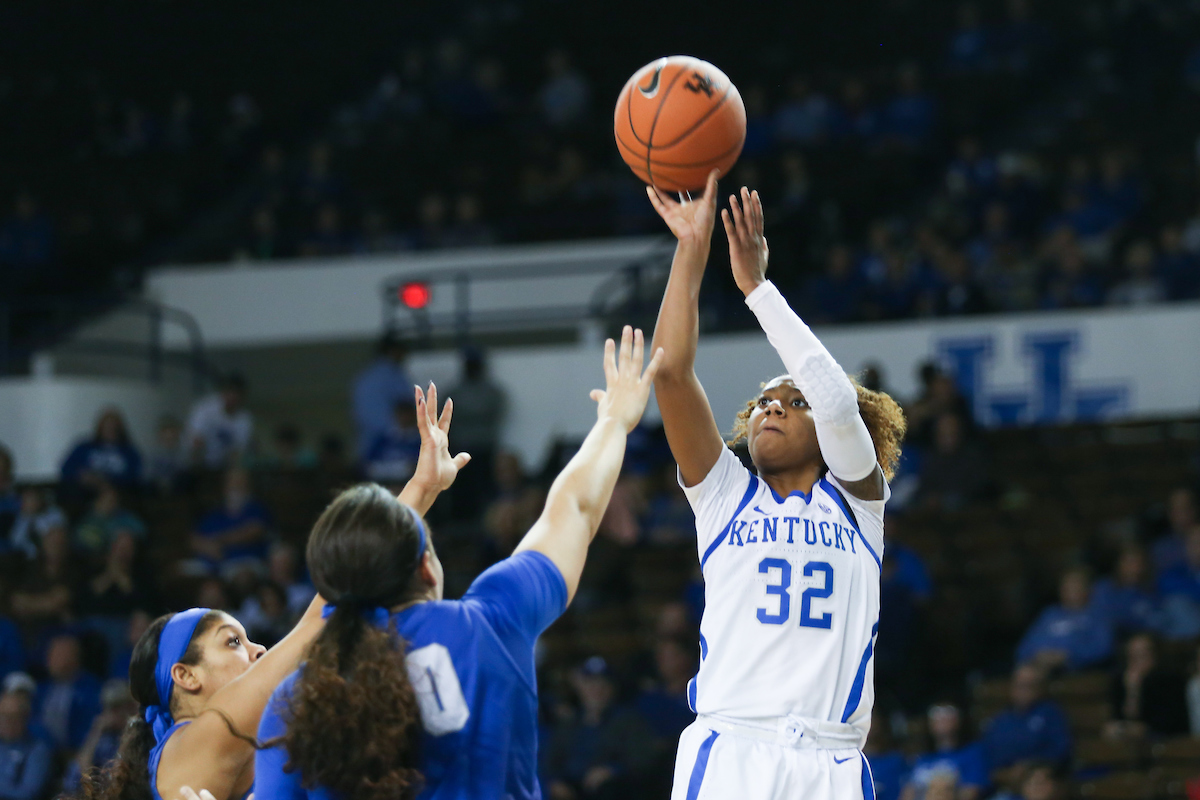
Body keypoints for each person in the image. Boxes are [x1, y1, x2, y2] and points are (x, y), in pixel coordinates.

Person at [255, 329, 662, 800]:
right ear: (426, 568)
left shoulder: (296, 696)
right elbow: (574, 508)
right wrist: (614, 421)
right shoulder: (491, 621)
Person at [69, 382, 464, 800]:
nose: (258, 651)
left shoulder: (245, 756)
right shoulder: (198, 739)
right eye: (234, 642)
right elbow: (323, 614)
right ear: (185, 675)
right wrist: (421, 488)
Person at [646, 174, 906, 799]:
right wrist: (691, 249)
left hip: (831, 762)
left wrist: (758, 290)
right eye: (763, 401)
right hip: (733, 747)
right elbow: (673, 376)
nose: (772, 408)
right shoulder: (726, 496)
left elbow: (840, 406)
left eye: (793, 401)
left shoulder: (858, 504)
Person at [544, 656, 658, 799]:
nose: (596, 690)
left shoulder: (629, 721)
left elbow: (642, 760)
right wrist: (555, 782)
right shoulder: (569, 723)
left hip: (610, 790)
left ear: (613, 688)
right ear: (580, 687)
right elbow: (552, 762)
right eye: (590, 684)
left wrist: (612, 771)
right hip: (571, 790)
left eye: (603, 684)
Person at [1015, 567, 1113, 671]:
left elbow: (1104, 648)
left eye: (1076, 586)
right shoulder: (1050, 614)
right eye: (1067, 586)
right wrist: (1038, 656)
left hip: (1079, 672)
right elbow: (1023, 649)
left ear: (1088, 589)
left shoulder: (1098, 614)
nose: (1071, 591)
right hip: (1042, 669)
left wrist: (1069, 656)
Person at [981, 665, 1071, 778]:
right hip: (1002, 781)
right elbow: (989, 750)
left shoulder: (1050, 713)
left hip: (1037, 779)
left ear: (1040, 688)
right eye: (1019, 685)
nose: (1022, 691)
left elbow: (1060, 750)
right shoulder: (1002, 717)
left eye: (1029, 686)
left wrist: (1030, 764)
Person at [189, 467, 272, 578]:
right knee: (178, 573)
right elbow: (194, 539)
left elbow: (254, 531)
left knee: (242, 576)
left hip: (245, 561)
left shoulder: (257, 508)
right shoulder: (215, 512)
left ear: (248, 485)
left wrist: (218, 542)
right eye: (231, 482)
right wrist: (207, 547)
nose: (235, 486)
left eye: (240, 482)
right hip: (210, 563)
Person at [1105, 632, 1189, 739]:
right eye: (1133, 656)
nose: (1138, 662)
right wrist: (1132, 691)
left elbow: (1171, 721)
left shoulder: (1170, 680)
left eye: (1143, 655)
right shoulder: (1121, 681)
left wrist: (1145, 729)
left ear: (1155, 655)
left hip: (1166, 740)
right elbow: (1122, 717)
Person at [899, 704, 987, 800]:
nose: (942, 718)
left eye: (947, 713)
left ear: (958, 720)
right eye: (936, 714)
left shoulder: (972, 752)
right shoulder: (922, 759)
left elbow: (971, 792)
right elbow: (908, 793)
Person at [35, 633, 102, 751]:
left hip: (75, 752)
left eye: (58, 655)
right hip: (41, 750)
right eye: (50, 654)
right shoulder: (41, 689)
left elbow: (88, 729)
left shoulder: (90, 690)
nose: (50, 660)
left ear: (75, 657)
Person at [351, 332, 412, 459]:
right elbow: (409, 403)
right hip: (390, 445)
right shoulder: (393, 374)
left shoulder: (364, 377)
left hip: (368, 444)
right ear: (393, 351)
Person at [60, 408, 144, 491]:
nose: (110, 429)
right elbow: (66, 468)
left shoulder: (129, 452)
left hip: (115, 489)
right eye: (107, 426)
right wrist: (82, 475)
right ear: (100, 427)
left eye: (114, 426)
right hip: (85, 489)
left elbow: (134, 475)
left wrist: (107, 479)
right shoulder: (84, 448)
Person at [185, 374, 254, 469]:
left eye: (236, 393)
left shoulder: (245, 420)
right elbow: (195, 440)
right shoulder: (205, 408)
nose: (232, 397)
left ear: (242, 396)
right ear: (222, 392)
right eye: (229, 392)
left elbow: (238, 452)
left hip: (224, 466)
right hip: (199, 461)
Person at [0, 689, 53, 800]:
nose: (7, 722)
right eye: (3, 716)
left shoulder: (37, 749)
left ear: (25, 718)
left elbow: (28, 794)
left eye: (14, 716)